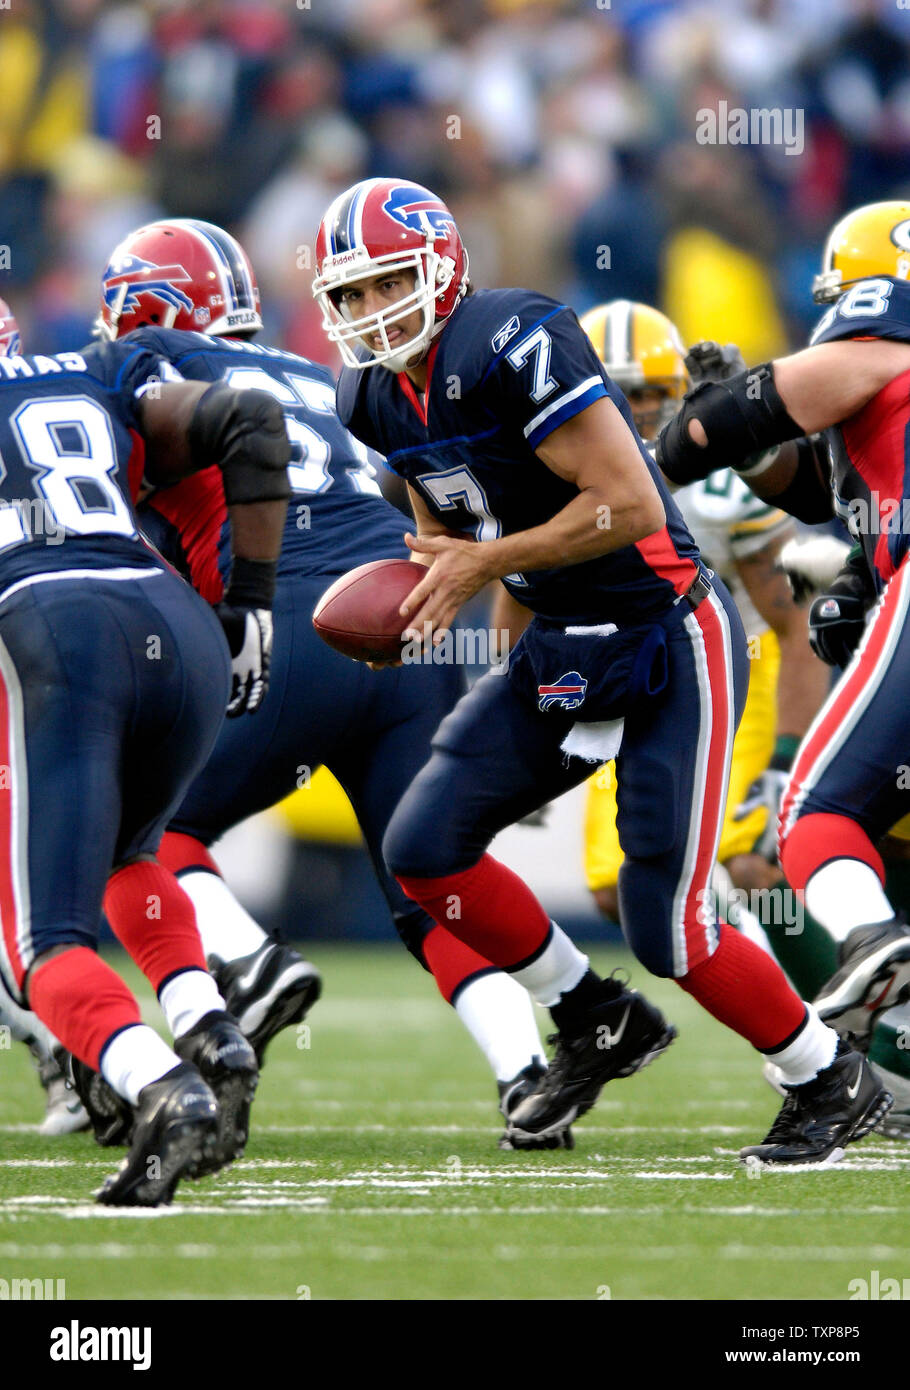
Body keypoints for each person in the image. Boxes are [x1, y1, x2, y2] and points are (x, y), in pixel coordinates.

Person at [312, 176, 885, 1164]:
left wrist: (484, 563)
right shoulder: (368, 393)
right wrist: (430, 590)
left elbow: (627, 502)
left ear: (441, 266)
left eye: (387, 283)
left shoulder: (513, 338)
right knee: (423, 847)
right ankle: (590, 1014)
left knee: (666, 918)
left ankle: (825, 1073)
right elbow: (448, 524)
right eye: (352, 294)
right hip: (556, 639)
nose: (371, 311)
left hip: (665, 632)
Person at [93, 216, 562, 1148]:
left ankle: (247, 962)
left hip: (291, 623)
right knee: (423, 879)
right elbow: (406, 493)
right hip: (405, 627)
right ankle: (528, 1073)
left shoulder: (142, 370)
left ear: (142, 307)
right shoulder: (322, 377)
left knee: (140, 825)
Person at [0, 333, 292, 1204]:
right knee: (133, 853)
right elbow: (253, 417)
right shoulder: (96, 366)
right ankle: (208, 1024)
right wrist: (252, 609)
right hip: (179, 626)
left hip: (48, 627)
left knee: (42, 944)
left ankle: (160, 1085)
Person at [655, 198, 910, 1071]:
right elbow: (827, 491)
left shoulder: (876, 348)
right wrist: (861, 580)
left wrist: (672, 447)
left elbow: (761, 408)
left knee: (817, 813)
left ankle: (874, 943)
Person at [575, 302, 830, 985]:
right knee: (613, 889)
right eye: (612, 395)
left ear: (674, 395)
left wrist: (784, 751)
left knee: (748, 859)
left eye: (645, 394)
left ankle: (836, 1011)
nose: (627, 413)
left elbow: (792, 617)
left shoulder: (721, 486)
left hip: (736, 665)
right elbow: (516, 586)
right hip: (633, 679)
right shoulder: (557, 470)